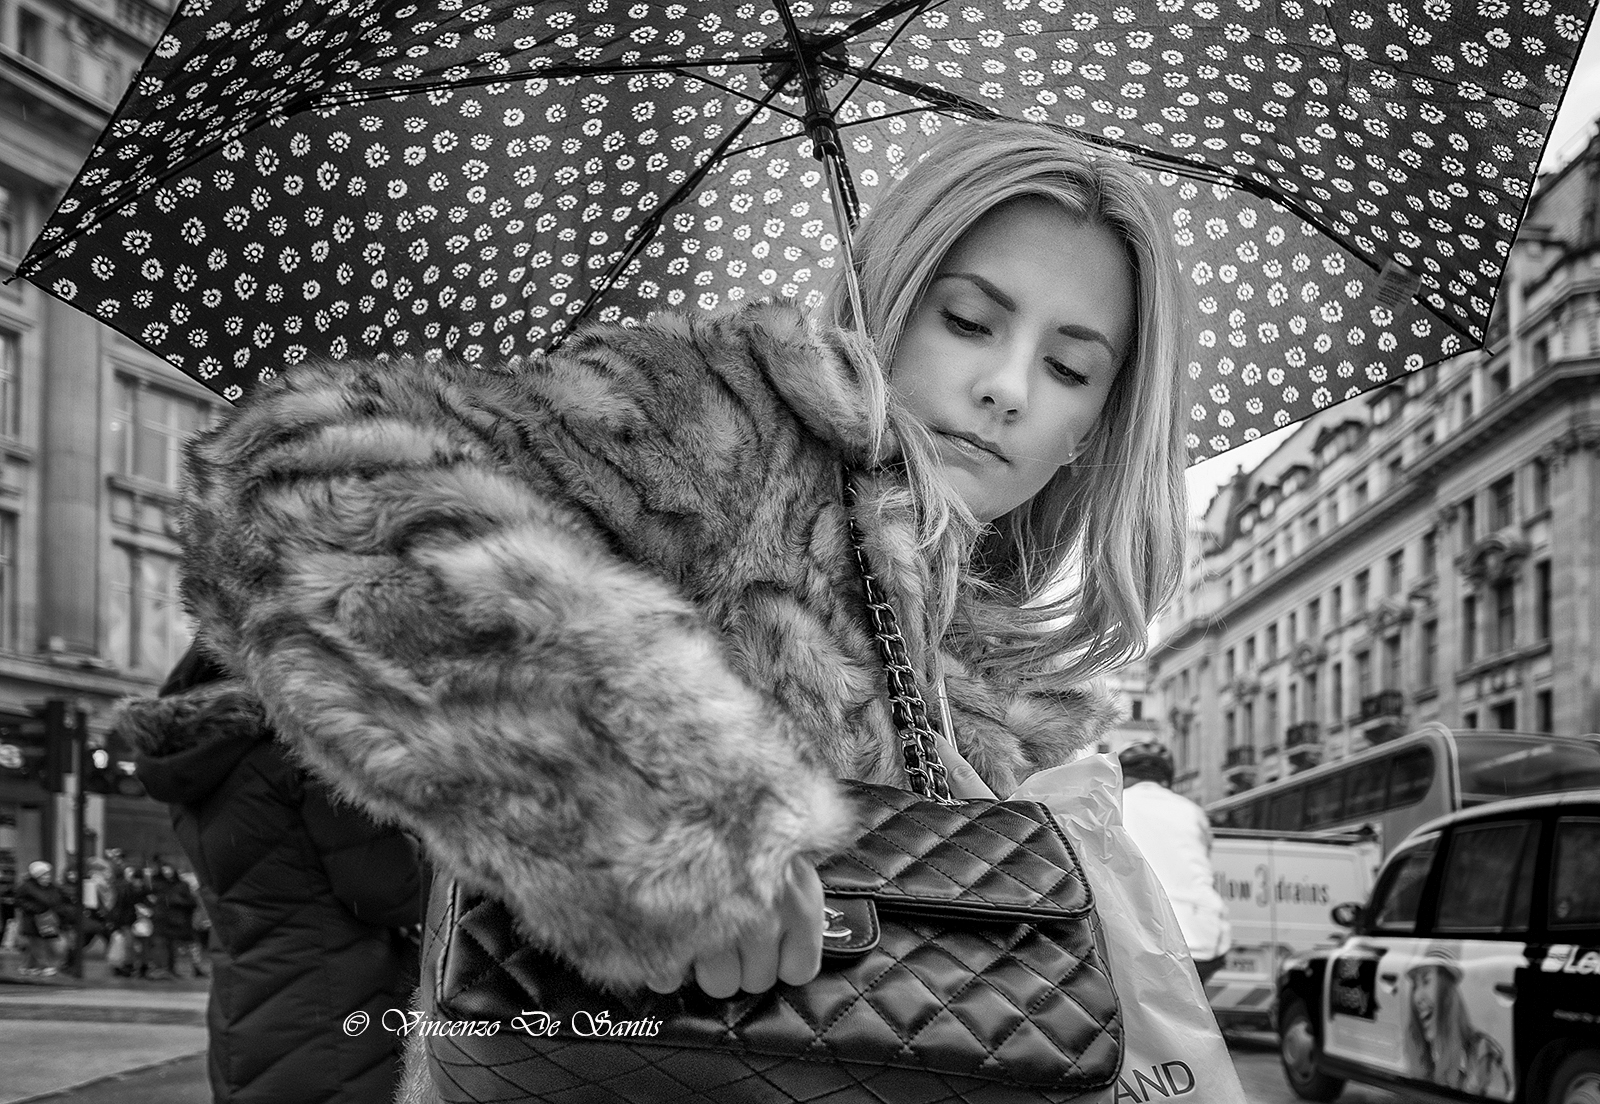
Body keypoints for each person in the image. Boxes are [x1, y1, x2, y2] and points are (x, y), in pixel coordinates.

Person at [175, 119, 1187, 1095]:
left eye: (1069, 368)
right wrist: (672, 820)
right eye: (966, 320)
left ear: (1095, 430)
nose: (1007, 386)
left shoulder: (1005, 674)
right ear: (890, 293)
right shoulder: (718, 432)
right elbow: (311, 493)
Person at [120, 639, 425, 1104]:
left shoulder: (201, 764)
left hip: (246, 999)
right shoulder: (300, 754)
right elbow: (387, 890)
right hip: (335, 999)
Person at [1117, 741, 1232, 982]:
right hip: (1203, 936)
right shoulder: (1192, 811)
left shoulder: (1113, 806)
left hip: (1139, 937)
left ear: (1122, 776)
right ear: (1167, 778)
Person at [1403, 944, 1513, 1099]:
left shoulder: (1482, 1053)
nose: (1417, 997)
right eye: (1415, 986)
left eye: (1426, 981)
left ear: (1447, 993)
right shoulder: (1424, 1051)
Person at [15, 861, 65, 977]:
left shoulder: (51, 887)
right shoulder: (27, 887)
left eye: (48, 874)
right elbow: (19, 901)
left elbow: (56, 900)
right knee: (37, 944)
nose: (47, 877)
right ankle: (45, 966)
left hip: (47, 919)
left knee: (40, 944)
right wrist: (34, 908)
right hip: (32, 920)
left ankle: (27, 966)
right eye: (44, 875)